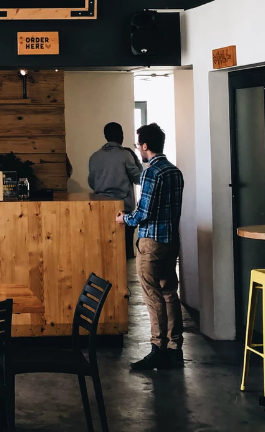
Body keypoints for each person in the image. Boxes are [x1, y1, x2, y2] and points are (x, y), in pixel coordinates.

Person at [116, 123, 185, 370]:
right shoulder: (175, 172)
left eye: (138, 145)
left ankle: (158, 348)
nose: (139, 149)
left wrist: (124, 219)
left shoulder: (151, 173)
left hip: (151, 243)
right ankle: (176, 349)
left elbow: (144, 212)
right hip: (171, 240)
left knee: (151, 294)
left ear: (145, 146)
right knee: (169, 293)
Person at [88, 122, 143, 255]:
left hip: (100, 208)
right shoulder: (125, 155)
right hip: (124, 209)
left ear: (106, 136)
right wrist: (136, 159)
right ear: (121, 136)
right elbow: (139, 178)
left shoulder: (95, 156)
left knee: (106, 252)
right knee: (125, 253)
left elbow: (91, 182)